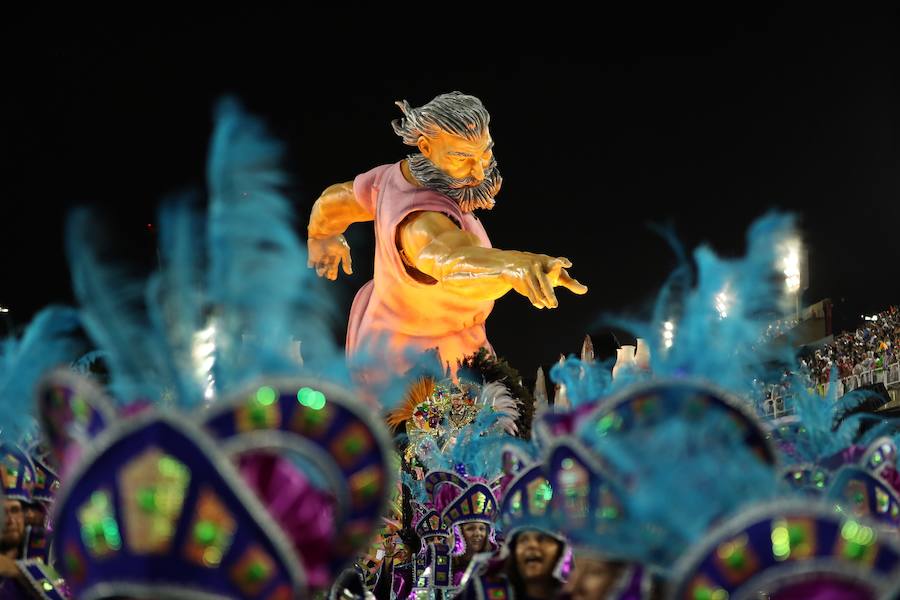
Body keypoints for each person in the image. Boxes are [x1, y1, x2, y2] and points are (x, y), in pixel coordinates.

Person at [306, 92, 586, 379]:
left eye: (485, 153)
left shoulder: (393, 178)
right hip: (418, 371)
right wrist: (513, 267)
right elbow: (451, 261)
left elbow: (335, 201)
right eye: (462, 157)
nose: (478, 171)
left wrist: (322, 235)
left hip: (428, 341)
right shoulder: (420, 220)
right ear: (426, 147)